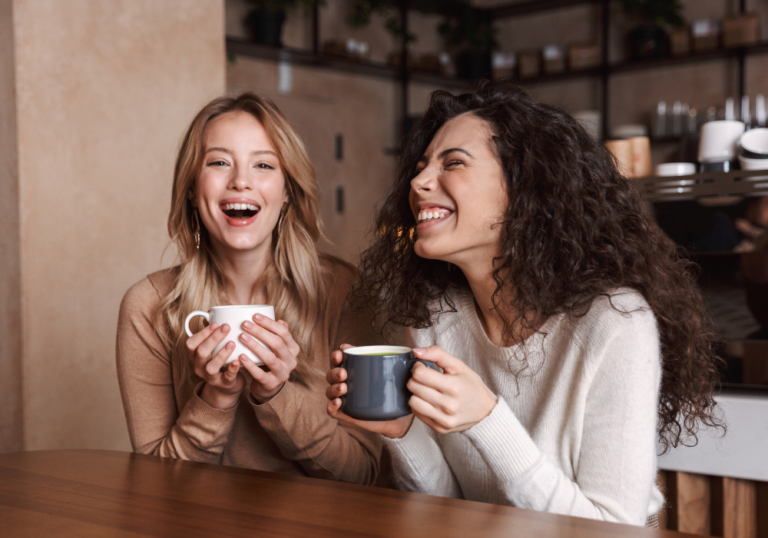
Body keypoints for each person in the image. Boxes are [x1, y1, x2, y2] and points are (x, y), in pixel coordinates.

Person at [326, 80, 724, 525]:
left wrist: (487, 420)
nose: (418, 182)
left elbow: (612, 530)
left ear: (525, 188)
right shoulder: (439, 316)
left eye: (452, 163)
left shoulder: (615, 323)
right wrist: (402, 432)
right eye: (420, 167)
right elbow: (449, 501)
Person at [117, 93, 381, 484]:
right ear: (191, 188)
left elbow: (364, 474)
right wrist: (216, 399)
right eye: (219, 162)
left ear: (287, 191)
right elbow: (157, 482)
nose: (241, 181)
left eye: (263, 165)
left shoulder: (343, 292)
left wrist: (277, 395)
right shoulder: (149, 306)